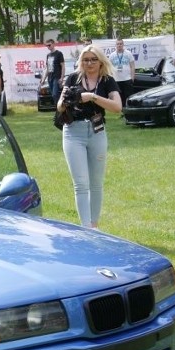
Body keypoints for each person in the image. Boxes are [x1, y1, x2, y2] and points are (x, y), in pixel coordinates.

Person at [58, 46, 122, 229]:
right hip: (73, 133)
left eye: (93, 59)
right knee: (80, 183)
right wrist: (67, 100)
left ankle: (94, 225)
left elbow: (117, 107)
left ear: (100, 61)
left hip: (97, 132)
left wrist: (92, 97)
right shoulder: (72, 78)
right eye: (85, 59)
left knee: (96, 183)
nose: (89, 63)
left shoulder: (107, 81)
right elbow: (60, 107)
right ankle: (86, 228)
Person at [110, 39, 136, 104]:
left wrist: (132, 77)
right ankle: (121, 110)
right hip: (116, 80)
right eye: (118, 44)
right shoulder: (112, 55)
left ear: (123, 44)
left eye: (120, 44)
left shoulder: (128, 53)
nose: (119, 45)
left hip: (127, 79)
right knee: (119, 97)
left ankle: (129, 109)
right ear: (115, 45)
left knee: (128, 96)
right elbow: (109, 68)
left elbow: (132, 66)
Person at [41, 39, 66, 104]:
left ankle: (60, 108)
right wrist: (43, 79)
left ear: (53, 44)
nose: (48, 47)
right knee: (53, 95)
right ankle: (59, 108)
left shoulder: (59, 53)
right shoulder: (48, 55)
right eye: (47, 46)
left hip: (56, 77)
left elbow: (63, 66)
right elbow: (47, 68)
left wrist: (62, 78)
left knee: (55, 94)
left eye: (49, 45)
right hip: (50, 77)